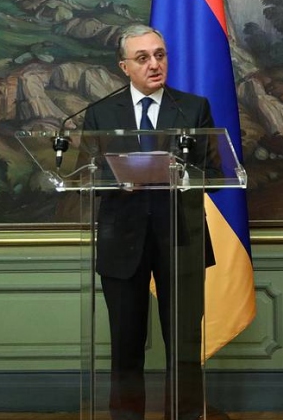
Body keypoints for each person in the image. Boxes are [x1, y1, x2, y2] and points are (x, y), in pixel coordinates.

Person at [82, 24, 217, 420]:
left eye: (160, 55)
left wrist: (179, 175)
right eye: (142, 58)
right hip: (122, 240)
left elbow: (213, 172)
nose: (154, 64)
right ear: (124, 66)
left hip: (180, 237)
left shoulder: (193, 108)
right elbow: (88, 175)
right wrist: (120, 181)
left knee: (184, 345)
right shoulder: (101, 112)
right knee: (125, 345)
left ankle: (186, 415)